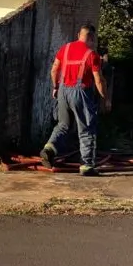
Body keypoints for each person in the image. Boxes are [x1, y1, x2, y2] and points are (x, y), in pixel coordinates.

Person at [40, 25, 109, 176]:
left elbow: (54, 69)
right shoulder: (92, 55)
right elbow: (98, 80)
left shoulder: (65, 48)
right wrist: (105, 99)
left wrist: (56, 87)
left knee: (63, 125)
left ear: (79, 34)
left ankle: (49, 149)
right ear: (91, 37)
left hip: (63, 91)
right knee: (86, 128)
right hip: (80, 93)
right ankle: (86, 166)